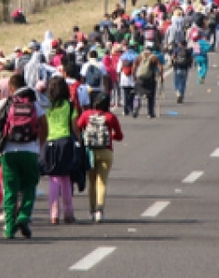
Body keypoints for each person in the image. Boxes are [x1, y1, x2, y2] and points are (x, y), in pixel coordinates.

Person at [0, 74, 48, 239]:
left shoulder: (6, 103)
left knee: (10, 190)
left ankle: (10, 227)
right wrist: (39, 146)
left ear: (11, 88)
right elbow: (44, 126)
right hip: (30, 150)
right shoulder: (34, 104)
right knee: (29, 186)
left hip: (9, 151)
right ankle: (24, 216)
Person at [77, 95, 123, 223]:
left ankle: (92, 210)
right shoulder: (110, 117)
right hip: (106, 151)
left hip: (90, 152)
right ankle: (100, 210)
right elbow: (119, 136)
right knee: (102, 181)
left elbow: (78, 127)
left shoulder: (86, 115)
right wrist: (110, 136)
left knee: (91, 182)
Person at [42, 77, 79, 224]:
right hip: (65, 142)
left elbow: (43, 126)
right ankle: (68, 212)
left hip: (50, 142)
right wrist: (80, 141)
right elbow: (75, 126)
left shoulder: (47, 106)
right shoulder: (69, 106)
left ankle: (54, 213)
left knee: (53, 178)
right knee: (66, 178)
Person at [132, 45, 164, 119]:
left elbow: (134, 67)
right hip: (150, 79)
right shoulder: (154, 57)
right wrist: (161, 76)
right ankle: (150, 113)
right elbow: (160, 67)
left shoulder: (139, 57)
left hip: (140, 79)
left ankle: (135, 107)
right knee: (151, 96)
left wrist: (134, 77)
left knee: (137, 94)